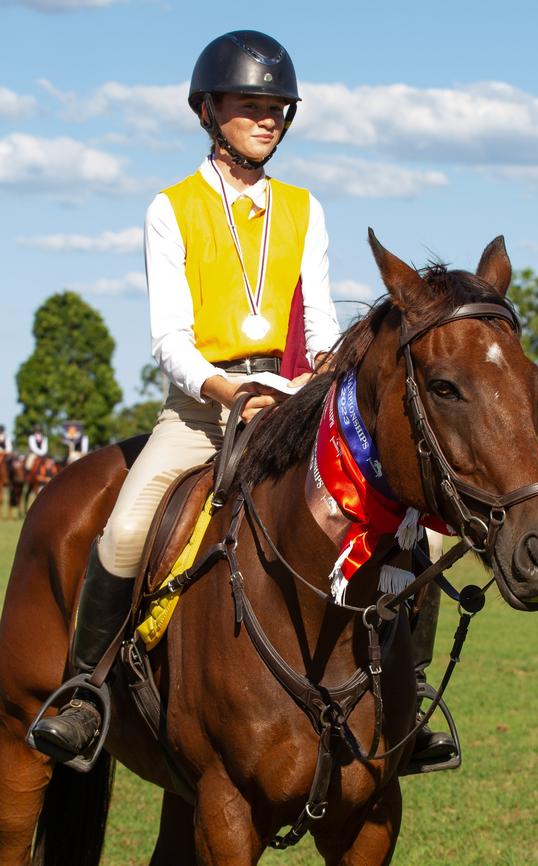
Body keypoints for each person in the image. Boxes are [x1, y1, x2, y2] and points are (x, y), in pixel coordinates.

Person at [31, 29, 342, 762]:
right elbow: (169, 338)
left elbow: (322, 317)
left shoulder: (306, 209)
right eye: (250, 103)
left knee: (405, 522)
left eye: (278, 107)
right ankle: (83, 694)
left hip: (295, 405)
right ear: (207, 110)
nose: (268, 117)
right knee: (127, 529)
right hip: (205, 410)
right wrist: (230, 389)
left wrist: (322, 372)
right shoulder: (169, 209)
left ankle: (408, 694)